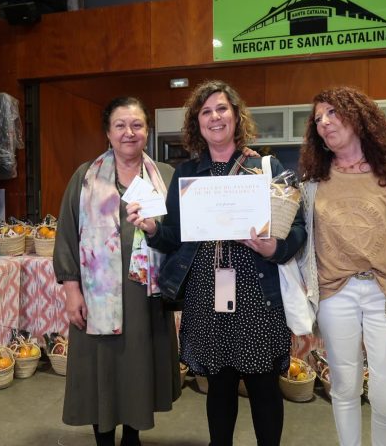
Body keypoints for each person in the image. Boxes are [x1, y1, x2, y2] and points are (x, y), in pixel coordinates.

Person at [127, 80, 306, 446]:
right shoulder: (188, 175)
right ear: (197, 123)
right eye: (205, 111)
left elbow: (299, 231)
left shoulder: (266, 168)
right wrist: (151, 228)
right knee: (219, 388)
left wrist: (273, 248)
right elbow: (174, 236)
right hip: (207, 296)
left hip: (259, 297)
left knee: (264, 388)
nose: (215, 117)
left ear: (236, 116)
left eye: (222, 108)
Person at [297, 86, 386, 446]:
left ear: (358, 116)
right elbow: (301, 247)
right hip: (333, 295)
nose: (324, 123)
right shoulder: (312, 183)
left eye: (332, 113)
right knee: (343, 387)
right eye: (318, 119)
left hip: (384, 296)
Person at [53, 96, 181, 446]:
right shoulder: (85, 178)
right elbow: (65, 236)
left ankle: (133, 436)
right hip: (98, 298)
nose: (129, 133)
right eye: (120, 126)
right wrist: (71, 291)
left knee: (138, 367)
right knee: (102, 370)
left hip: (147, 296)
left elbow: (178, 238)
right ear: (108, 133)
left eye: (137, 125)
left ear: (147, 131)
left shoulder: (166, 177)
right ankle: (104, 438)